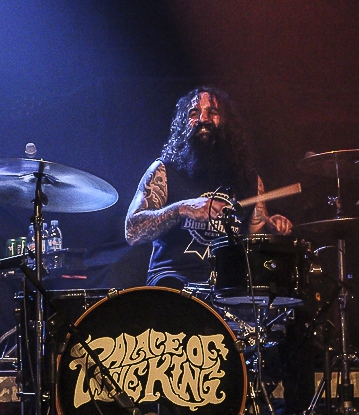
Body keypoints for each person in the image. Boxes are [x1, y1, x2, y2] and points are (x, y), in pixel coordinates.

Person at [125, 87, 292, 289]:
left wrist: (272, 230)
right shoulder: (164, 170)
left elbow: (255, 240)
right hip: (173, 278)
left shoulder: (249, 179)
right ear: (183, 123)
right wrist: (182, 209)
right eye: (194, 113)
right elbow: (132, 232)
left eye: (213, 113)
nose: (203, 119)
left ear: (227, 122)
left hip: (227, 283)